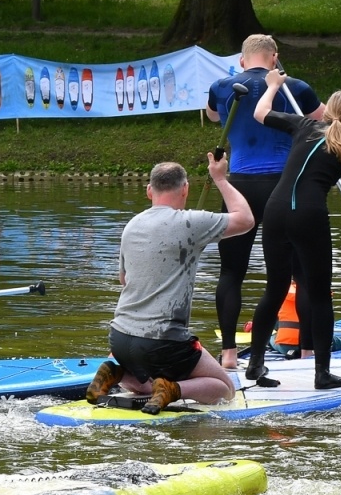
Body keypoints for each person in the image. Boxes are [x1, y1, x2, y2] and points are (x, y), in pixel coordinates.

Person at [242, 72, 341, 389]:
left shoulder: (304, 125)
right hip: (308, 217)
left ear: (327, 111)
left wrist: (274, 86)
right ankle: (321, 373)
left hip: (275, 210)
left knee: (275, 288)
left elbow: (259, 113)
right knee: (319, 296)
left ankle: (255, 365)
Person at [85, 155, 255, 413]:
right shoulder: (190, 222)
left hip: (119, 339)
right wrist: (220, 178)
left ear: (149, 190)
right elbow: (245, 219)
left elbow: (124, 280)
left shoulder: (132, 225)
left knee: (145, 383)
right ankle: (173, 389)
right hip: (163, 342)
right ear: (185, 188)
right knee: (224, 388)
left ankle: (115, 371)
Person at [205, 34, 325, 368]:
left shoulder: (221, 86)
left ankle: (229, 354)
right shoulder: (296, 88)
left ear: (242, 60)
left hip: (239, 187)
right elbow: (324, 120)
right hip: (284, 187)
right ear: (275, 58)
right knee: (299, 274)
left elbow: (214, 116)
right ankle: (307, 351)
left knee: (231, 271)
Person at [269, 280, 341, 357]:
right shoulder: (319, 291)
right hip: (315, 345)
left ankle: (260, 333)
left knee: (271, 337)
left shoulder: (283, 292)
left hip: (286, 347)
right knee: (334, 342)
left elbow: (275, 322)